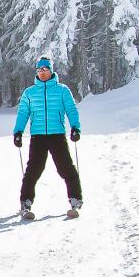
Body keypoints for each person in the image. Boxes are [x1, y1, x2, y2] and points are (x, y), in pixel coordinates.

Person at [12, 56, 83, 220]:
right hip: (38, 137)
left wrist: (75, 127)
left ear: (51, 70)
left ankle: (75, 199)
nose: (42, 73)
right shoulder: (29, 93)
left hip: (57, 135)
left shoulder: (62, 90)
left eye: (45, 69)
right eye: (39, 70)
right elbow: (23, 113)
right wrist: (18, 132)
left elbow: (71, 110)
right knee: (33, 170)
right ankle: (26, 202)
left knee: (65, 168)